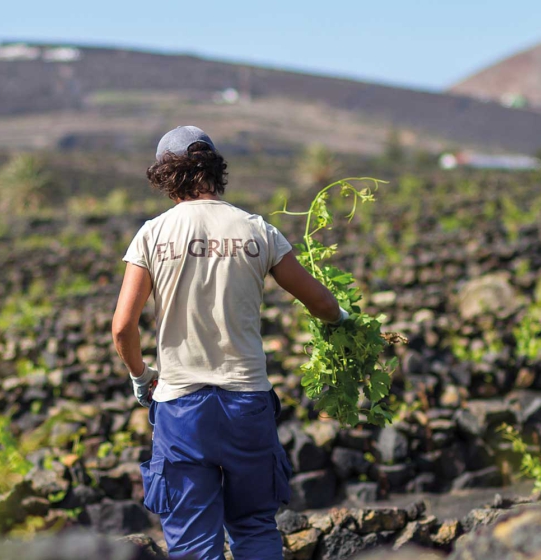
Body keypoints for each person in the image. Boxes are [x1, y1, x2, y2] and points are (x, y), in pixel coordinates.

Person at [111, 126, 349, 560]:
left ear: (166, 176)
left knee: (193, 542)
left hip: (181, 410)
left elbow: (123, 327)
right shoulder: (256, 229)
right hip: (247, 403)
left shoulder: (153, 234)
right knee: (255, 528)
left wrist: (140, 377)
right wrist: (345, 322)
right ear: (216, 169)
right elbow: (319, 302)